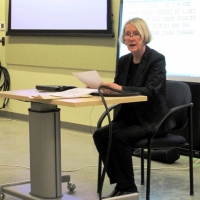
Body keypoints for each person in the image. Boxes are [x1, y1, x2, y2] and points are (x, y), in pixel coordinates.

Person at [93, 17, 176, 198]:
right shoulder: (124, 61)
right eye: (127, 34)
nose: (131, 38)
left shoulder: (157, 59)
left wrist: (120, 88)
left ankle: (128, 188)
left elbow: (151, 91)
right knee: (100, 135)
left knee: (118, 137)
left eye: (136, 34)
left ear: (144, 36)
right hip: (129, 118)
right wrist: (100, 88)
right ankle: (120, 183)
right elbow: (118, 86)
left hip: (152, 120)